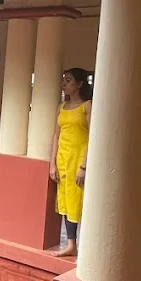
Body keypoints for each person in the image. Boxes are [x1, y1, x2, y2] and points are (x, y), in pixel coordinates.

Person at [49, 67, 92, 257]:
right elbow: (56, 136)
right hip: (63, 159)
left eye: (69, 80)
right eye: (64, 79)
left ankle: (86, 245)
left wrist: (84, 166)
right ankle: (71, 244)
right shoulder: (61, 107)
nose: (64, 83)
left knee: (78, 200)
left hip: (79, 159)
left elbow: (92, 136)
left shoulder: (87, 106)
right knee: (66, 200)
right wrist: (52, 163)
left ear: (79, 84)